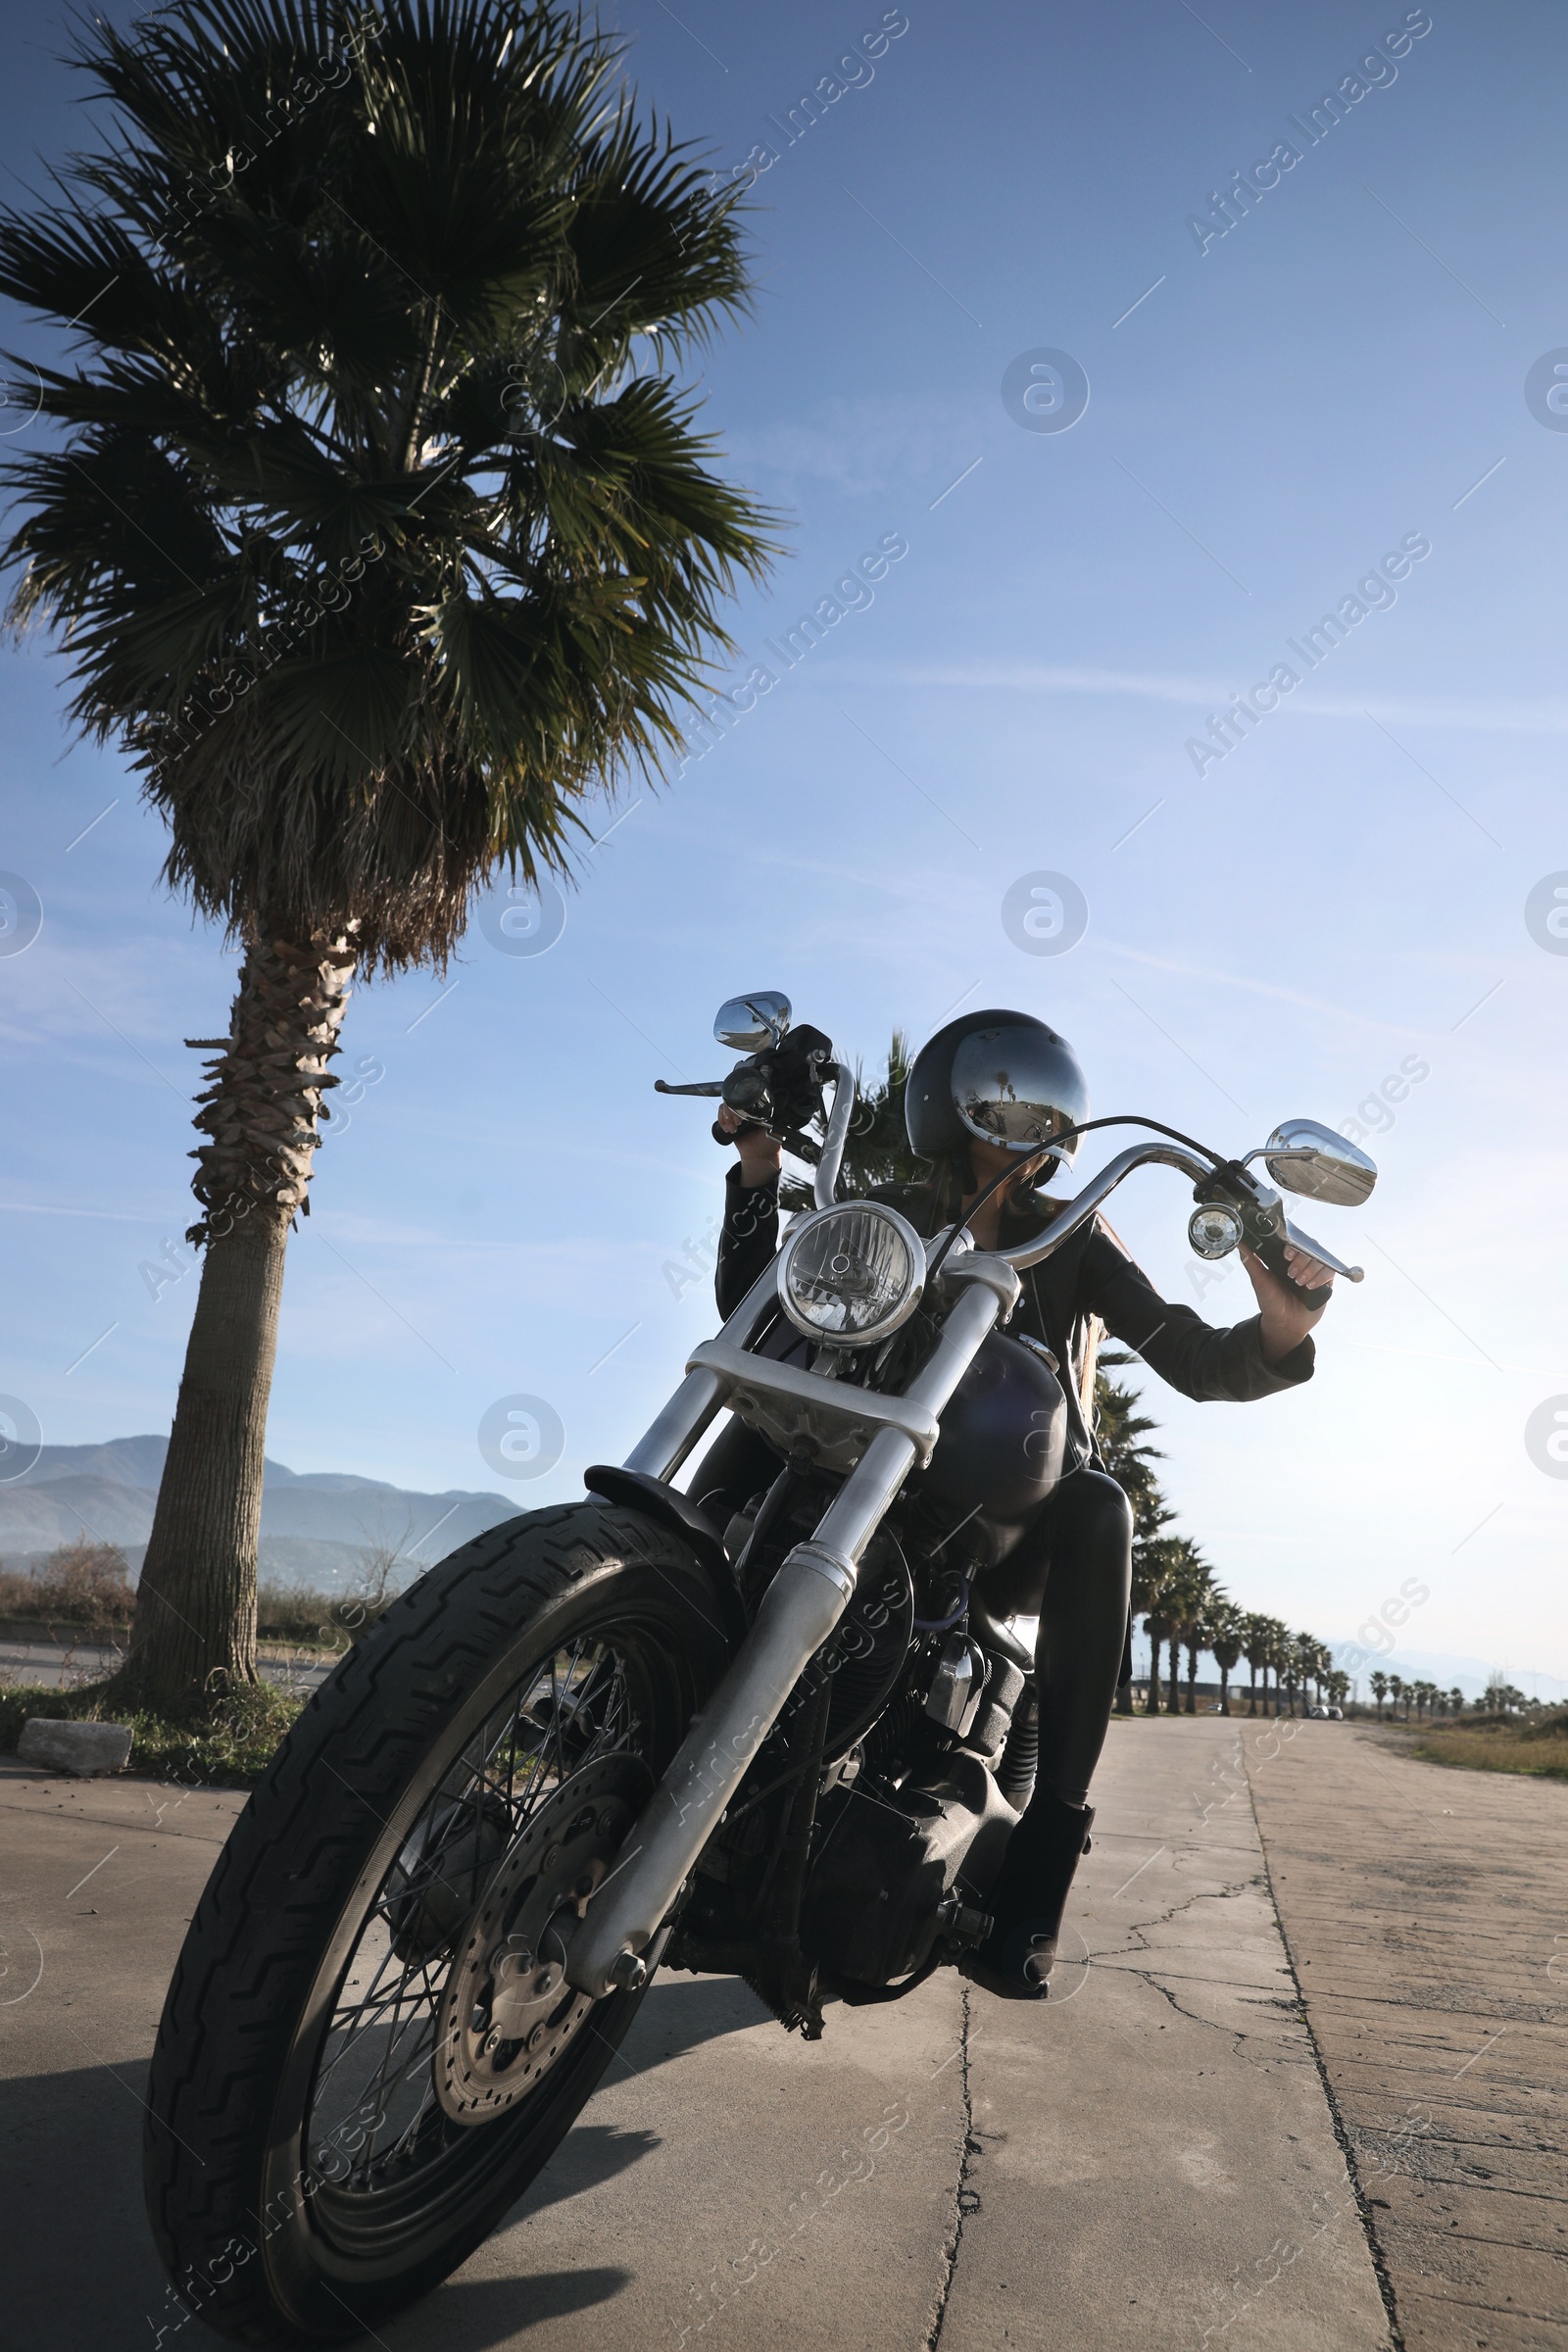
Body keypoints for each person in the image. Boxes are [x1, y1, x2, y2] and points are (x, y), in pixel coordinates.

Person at [702, 1008, 1336, 2001]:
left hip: (1004, 1503)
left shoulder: (1071, 1238)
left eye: (1045, 1117)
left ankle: (1036, 1887)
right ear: (946, 1108)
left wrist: (1278, 1327)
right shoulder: (888, 1218)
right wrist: (755, 1172)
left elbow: (1185, 1353)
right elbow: (754, 1299)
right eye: (1002, 1107)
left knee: (1099, 1507)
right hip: (862, 1455)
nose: (1024, 1133)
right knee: (752, 1417)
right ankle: (644, 1629)